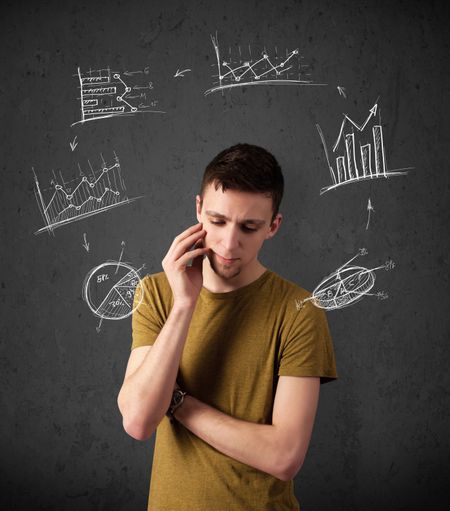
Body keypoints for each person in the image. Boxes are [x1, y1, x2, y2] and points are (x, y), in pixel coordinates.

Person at [117, 143, 338, 510]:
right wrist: (185, 303)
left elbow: (284, 457)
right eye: (217, 221)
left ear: (273, 226)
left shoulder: (299, 311)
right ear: (199, 210)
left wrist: (177, 402)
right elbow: (139, 422)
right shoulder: (156, 293)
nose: (229, 243)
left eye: (249, 227)